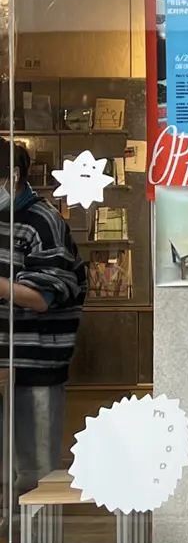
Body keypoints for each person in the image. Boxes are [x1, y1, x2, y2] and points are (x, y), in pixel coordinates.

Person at [0, 139, 86, 499]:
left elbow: (42, 298)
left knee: (34, 472)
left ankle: (37, 534)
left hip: (34, 361)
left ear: (13, 175)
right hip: (4, 362)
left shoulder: (43, 221)